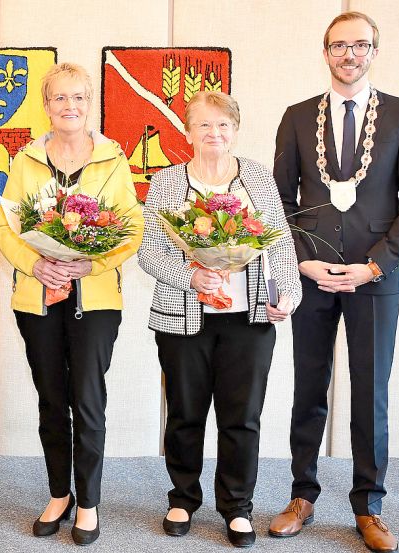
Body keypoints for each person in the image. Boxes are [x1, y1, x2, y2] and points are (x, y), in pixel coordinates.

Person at [268, 12, 399, 553]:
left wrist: (375, 265)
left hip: (375, 278)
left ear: (374, 51)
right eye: (339, 45)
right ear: (325, 51)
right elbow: (278, 204)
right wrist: (301, 263)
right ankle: (302, 496)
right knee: (308, 390)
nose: (349, 54)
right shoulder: (295, 118)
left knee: (370, 393)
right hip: (311, 277)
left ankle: (370, 505)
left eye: (360, 45)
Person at [137, 91, 301, 548]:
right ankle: (183, 498)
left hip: (248, 320)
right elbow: (149, 252)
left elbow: (281, 245)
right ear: (187, 132)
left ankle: (237, 507)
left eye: (223, 125)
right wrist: (191, 276)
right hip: (183, 319)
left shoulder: (258, 180)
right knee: (185, 414)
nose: (214, 134)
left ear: (235, 130)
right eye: (204, 125)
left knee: (242, 417)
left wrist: (289, 294)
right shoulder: (167, 181)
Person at [0, 62, 142, 546]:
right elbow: (6, 228)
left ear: (90, 103)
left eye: (79, 97)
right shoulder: (26, 162)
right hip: (37, 300)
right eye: (60, 98)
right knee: (52, 400)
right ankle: (59, 493)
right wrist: (36, 266)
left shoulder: (113, 160)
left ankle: (90, 501)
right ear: (46, 105)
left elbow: (130, 229)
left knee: (87, 398)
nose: (70, 106)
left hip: (95, 302)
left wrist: (89, 266)